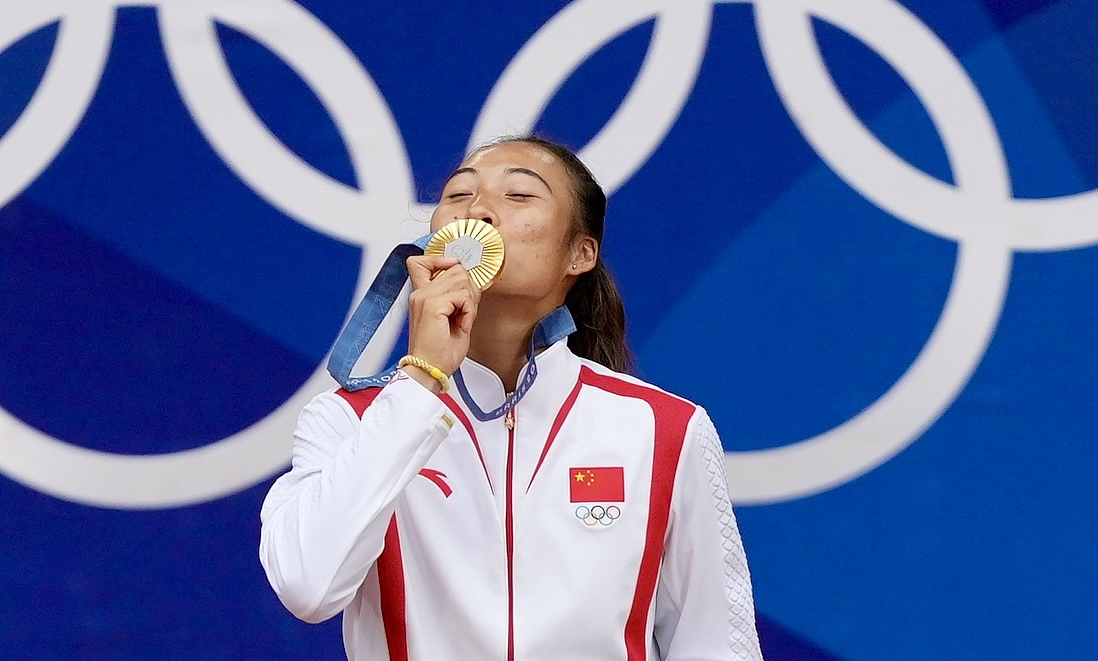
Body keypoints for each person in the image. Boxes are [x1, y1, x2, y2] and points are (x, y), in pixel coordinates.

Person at [260, 135, 761, 661]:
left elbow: (717, 645)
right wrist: (421, 382)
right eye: (457, 197)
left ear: (580, 253)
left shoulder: (664, 430)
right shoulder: (351, 420)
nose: (477, 211)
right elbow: (306, 587)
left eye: (519, 196)